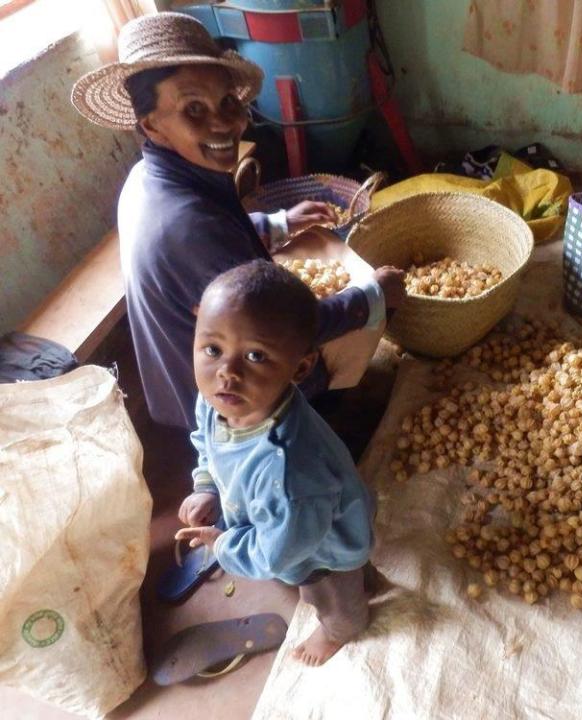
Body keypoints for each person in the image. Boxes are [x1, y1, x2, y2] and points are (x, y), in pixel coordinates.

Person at [71, 12, 404, 430]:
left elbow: (216, 232)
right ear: (151, 124)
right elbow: (288, 326)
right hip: (219, 404)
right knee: (364, 321)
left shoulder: (148, 177)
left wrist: (278, 223)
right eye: (194, 109)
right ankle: (311, 424)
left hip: (180, 379)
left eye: (228, 101)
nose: (224, 122)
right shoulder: (188, 226)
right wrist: (373, 297)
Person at [174, 260, 388, 666]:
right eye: (213, 349)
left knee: (331, 596)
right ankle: (367, 580)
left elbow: (279, 553)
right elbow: (207, 443)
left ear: (301, 367)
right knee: (355, 573)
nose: (227, 373)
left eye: (255, 355)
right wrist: (207, 486)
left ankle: (340, 630)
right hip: (301, 519)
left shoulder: (289, 471)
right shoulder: (216, 403)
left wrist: (224, 546)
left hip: (321, 548)